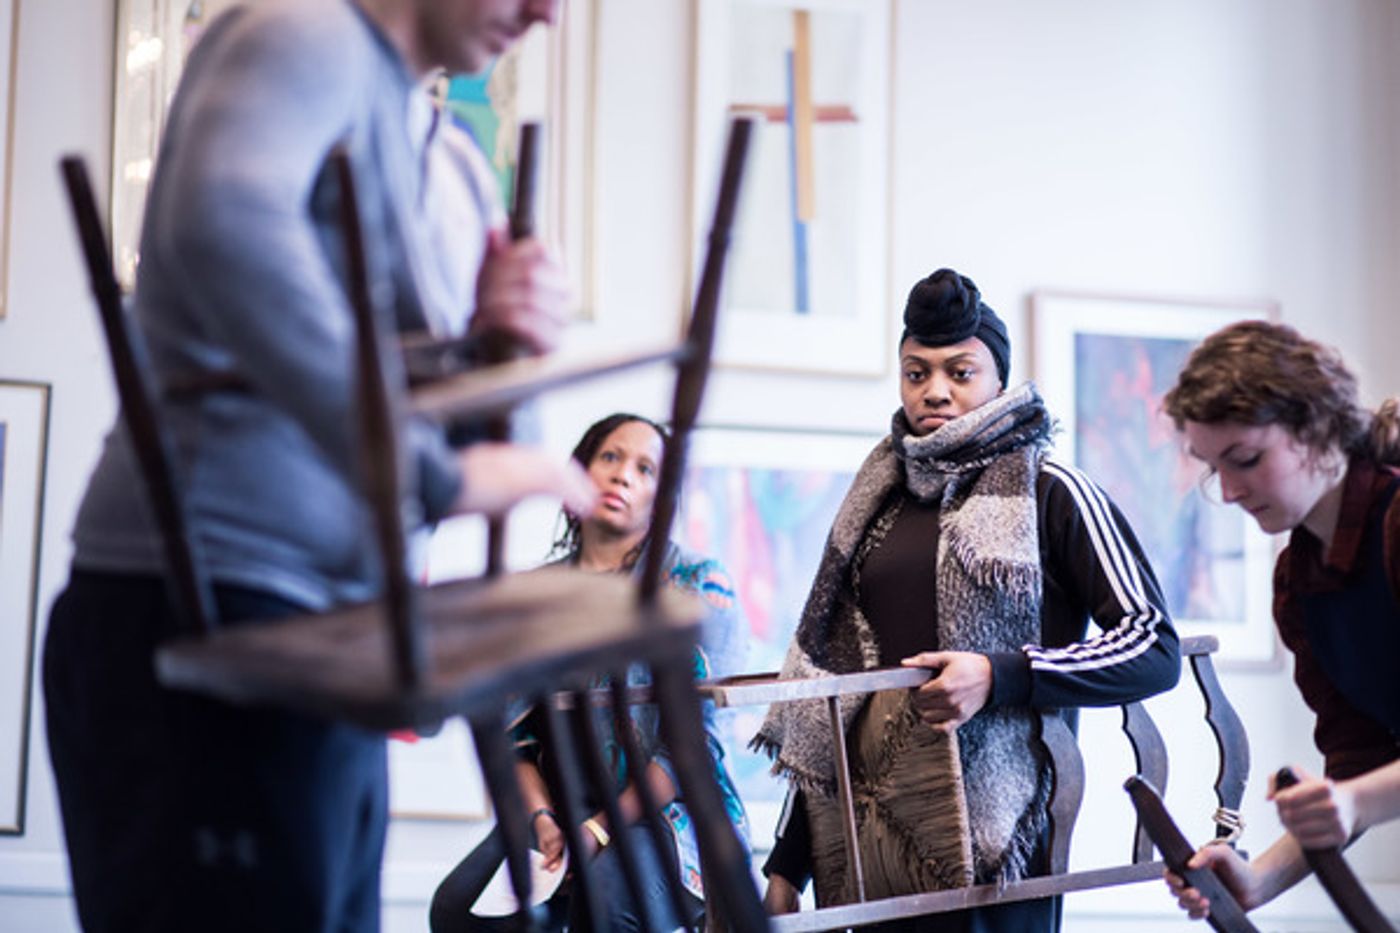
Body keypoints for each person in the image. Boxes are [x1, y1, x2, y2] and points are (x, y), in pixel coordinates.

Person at [42, 1, 595, 931]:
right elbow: (224, 227)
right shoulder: (304, 32)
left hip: (336, 634)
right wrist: (425, 471)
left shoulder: (449, 152)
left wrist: (505, 341)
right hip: (203, 610)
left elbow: (471, 441)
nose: (547, 13)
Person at [752, 268, 1181, 932]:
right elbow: (836, 695)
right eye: (916, 373)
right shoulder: (875, 502)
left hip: (1001, 852)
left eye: (960, 371)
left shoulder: (1051, 489)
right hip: (873, 853)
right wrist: (787, 867)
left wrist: (1002, 674)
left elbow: (1154, 646)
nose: (937, 391)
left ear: (998, 381)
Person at [429, 413, 750, 931]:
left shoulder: (698, 584)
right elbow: (518, 739)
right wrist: (542, 820)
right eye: (610, 457)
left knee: (604, 903)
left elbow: (691, 751)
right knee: (456, 910)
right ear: (580, 471)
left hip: (665, 817)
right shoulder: (536, 593)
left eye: (646, 469)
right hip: (557, 810)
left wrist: (599, 831)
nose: (623, 475)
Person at [1159, 320, 1400, 920]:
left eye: (1245, 459)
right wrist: (1257, 880)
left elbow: (1357, 793)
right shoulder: (1300, 580)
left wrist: (1356, 802)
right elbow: (1357, 763)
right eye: (1215, 469)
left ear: (1317, 429)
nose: (1232, 491)